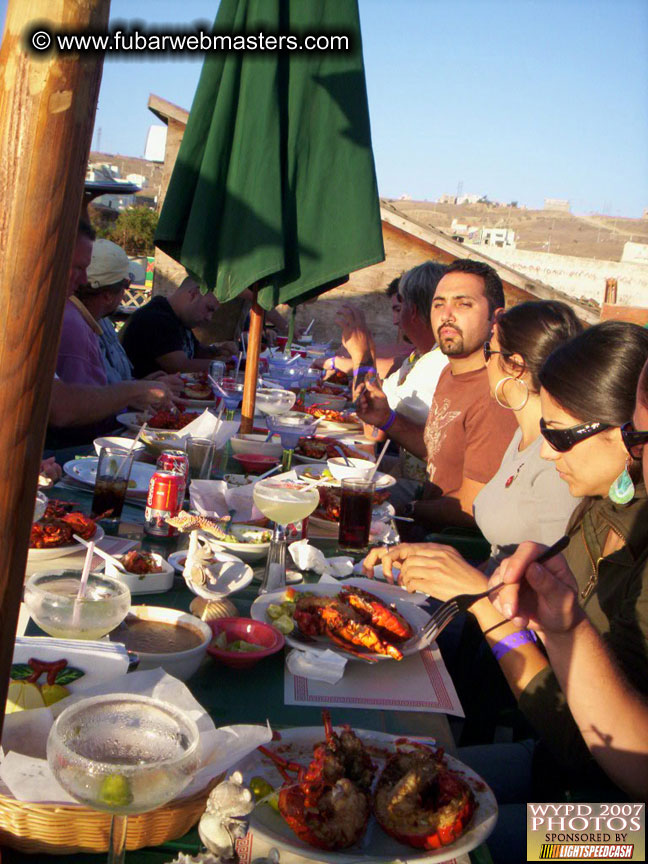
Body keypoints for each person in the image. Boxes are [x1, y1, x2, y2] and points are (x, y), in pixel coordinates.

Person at [365, 321, 648, 785]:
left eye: (558, 436)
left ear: (622, 434)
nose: (549, 454)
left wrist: (486, 605)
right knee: (386, 783)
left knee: (429, 833)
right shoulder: (601, 509)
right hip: (547, 766)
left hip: (610, 832)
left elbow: (588, 748)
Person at [356, 259, 517, 529]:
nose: (447, 315)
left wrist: (402, 509)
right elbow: (440, 451)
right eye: (439, 304)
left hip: (447, 543)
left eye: (463, 304)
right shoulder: (449, 372)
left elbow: (472, 506)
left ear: (496, 318)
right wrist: (386, 420)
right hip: (424, 517)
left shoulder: (495, 392)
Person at [337, 263, 449, 491]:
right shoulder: (419, 357)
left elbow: (372, 427)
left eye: (401, 307)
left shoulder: (436, 362)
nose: (395, 320)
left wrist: (363, 356)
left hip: (426, 493)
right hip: (411, 476)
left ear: (414, 310)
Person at [78, 239, 182, 397]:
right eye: (126, 286)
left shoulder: (102, 320)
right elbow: (89, 402)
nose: (125, 293)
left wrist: (142, 384)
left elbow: (114, 384)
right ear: (107, 296)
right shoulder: (77, 330)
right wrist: (139, 390)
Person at [121, 276, 233, 377]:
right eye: (209, 309)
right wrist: (226, 366)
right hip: (144, 396)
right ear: (193, 294)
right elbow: (180, 366)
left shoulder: (179, 319)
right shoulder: (155, 319)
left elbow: (196, 351)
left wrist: (218, 351)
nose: (209, 318)